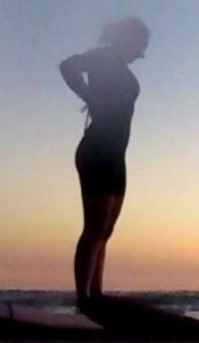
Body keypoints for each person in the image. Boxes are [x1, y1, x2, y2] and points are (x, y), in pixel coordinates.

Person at [60, 16, 150, 309]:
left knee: (105, 232)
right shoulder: (103, 58)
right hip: (97, 150)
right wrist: (88, 95)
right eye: (140, 47)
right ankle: (83, 299)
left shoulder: (118, 66)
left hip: (116, 155)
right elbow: (68, 66)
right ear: (128, 39)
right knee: (94, 228)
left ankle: (96, 295)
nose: (140, 54)